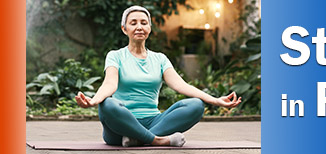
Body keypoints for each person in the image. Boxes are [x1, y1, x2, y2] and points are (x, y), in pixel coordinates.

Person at [74, 6, 241, 147]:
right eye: (133, 23)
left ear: (149, 28)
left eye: (144, 23)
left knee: (196, 105)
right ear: (124, 29)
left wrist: (215, 100)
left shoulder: (160, 59)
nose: (139, 27)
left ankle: (138, 139)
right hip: (120, 128)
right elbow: (110, 84)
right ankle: (158, 140)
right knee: (107, 105)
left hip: (154, 121)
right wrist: (94, 100)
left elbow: (181, 85)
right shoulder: (115, 56)